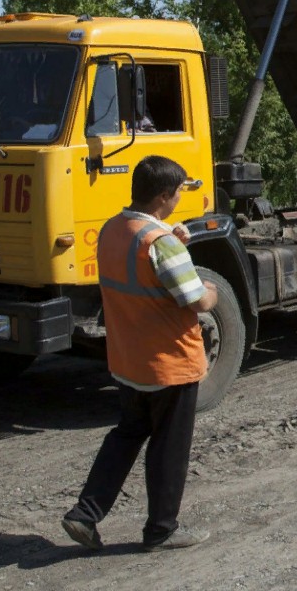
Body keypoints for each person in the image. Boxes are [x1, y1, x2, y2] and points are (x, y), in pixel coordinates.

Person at [62, 155, 218, 552]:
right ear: (164, 195)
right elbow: (196, 300)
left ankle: (85, 514)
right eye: (180, 190)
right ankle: (161, 530)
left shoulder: (115, 229)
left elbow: (141, 270)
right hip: (169, 364)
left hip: (129, 360)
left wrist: (171, 240)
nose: (183, 195)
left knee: (127, 434)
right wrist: (211, 289)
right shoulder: (160, 244)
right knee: (169, 446)